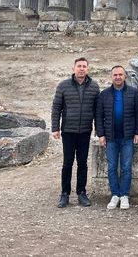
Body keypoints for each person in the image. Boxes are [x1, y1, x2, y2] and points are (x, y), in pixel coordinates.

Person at [51, 57, 100, 208]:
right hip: (68, 131)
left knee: (83, 163)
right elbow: (56, 107)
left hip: (85, 131)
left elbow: (97, 110)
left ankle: (81, 193)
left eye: (84, 66)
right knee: (67, 163)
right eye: (79, 66)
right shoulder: (63, 86)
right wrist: (55, 128)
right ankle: (65, 194)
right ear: (74, 68)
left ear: (88, 69)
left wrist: (98, 130)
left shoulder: (94, 86)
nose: (81, 69)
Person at [96, 65, 138, 210]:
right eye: (115, 75)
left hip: (128, 137)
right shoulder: (104, 95)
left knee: (127, 167)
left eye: (120, 74)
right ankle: (115, 194)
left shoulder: (134, 93)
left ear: (125, 76)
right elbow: (99, 116)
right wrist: (101, 134)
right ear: (111, 76)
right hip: (111, 138)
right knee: (112, 167)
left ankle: (124, 195)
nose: (118, 77)